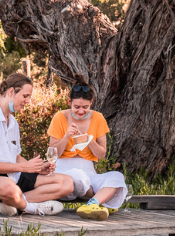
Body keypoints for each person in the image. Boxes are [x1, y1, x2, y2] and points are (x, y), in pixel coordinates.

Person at [0, 73, 74, 216]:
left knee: (67, 183)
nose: (28, 101)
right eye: (25, 96)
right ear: (11, 91)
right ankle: (33, 208)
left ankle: (10, 203)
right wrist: (24, 167)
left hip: (12, 175)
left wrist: (36, 168)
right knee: (9, 189)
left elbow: (16, 157)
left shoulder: (13, 122)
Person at [47, 84, 130, 221]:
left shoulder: (98, 118)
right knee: (77, 176)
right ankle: (99, 196)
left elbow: (101, 154)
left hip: (89, 172)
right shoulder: (59, 117)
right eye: (77, 107)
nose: (81, 111)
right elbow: (53, 153)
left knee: (117, 177)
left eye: (85, 107)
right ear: (69, 102)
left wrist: (90, 141)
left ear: (91, 102)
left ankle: (92, 203)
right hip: (65, 171)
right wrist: (66, 136)